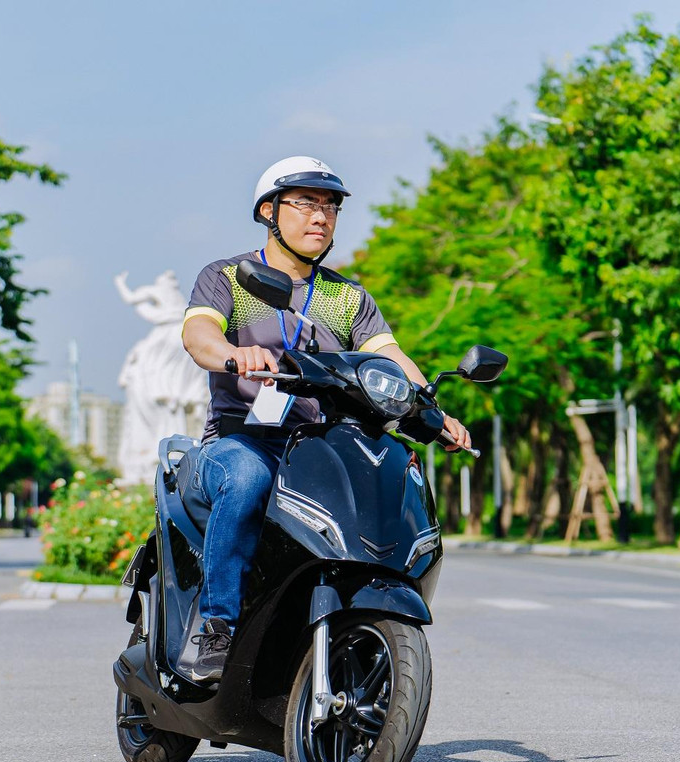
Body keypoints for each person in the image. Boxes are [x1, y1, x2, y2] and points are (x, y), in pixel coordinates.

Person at [179, 155, 472, 683]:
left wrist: (432, 408)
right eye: (306, 203)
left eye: (330, 206)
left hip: (322, 444)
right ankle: (217, 624)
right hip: (245, 438)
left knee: (389, 481)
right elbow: (199, 335)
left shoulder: (346, 297)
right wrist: (233, 354)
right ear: (268, 211)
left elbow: (389, 358)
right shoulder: (230, 278)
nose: (321, 216)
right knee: (246, 479)